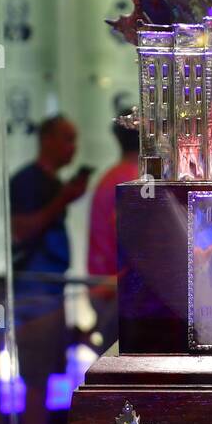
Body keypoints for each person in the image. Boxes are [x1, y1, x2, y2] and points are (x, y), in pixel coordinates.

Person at [10, 115, 91, 424]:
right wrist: (63, 199)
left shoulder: (46, 182)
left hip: (49, 291)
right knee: (36, 379)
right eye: (67, 139)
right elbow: (22, 230)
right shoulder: (27, 182)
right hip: (35, 293)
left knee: (45, 377)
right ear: (47, 139)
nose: (72, 149)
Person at [87, 111, 139, 347]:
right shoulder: (134, 178)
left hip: (106, 287)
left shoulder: (111, 176)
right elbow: (131, 239)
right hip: (117, 290)